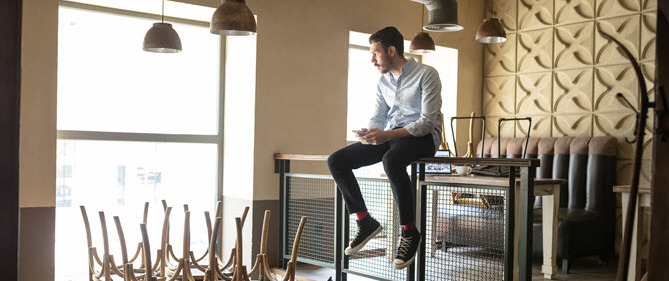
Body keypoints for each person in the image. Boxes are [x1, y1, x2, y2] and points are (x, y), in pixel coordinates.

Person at [327, 26, 443, 270]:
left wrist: (385, 135)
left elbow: (427, 122)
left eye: (375, 53)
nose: (372, 60)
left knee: (391, 160)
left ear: (392, 51)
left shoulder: (427, 74)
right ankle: (365, 221)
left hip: (423, 138)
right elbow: (379, 117)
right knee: (336, 160)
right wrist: (370, 133)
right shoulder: (383, 82)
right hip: (392, 137)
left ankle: (410, 233)